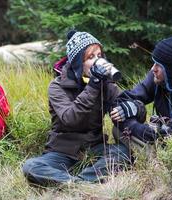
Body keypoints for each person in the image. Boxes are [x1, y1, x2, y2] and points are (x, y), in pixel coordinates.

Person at [22, 30, 130, 186]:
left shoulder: (104, 84)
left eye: (99, 56)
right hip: (62, 151)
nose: (97, 61)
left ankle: (77, 183)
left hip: (94, 148)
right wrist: (93, 85)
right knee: (31, 167)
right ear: (78, 62)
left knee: (122, 153)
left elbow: (128, 101)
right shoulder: (57, 86)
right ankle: (81, 183)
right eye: (90, 57)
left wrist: (133, 108)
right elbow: (70, 118)